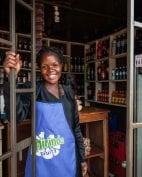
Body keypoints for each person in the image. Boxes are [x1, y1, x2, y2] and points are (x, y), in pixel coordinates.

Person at [3, 46, 88, 177]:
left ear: (61, 66)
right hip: (43, 161)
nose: (50, 70)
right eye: (44, 66)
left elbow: (76, 128)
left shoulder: (68, 91)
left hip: (69, 159)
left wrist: (82, 159)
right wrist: (11, 78)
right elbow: (16, 116)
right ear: (39, 69)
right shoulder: (33, 90)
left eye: (55, 65)